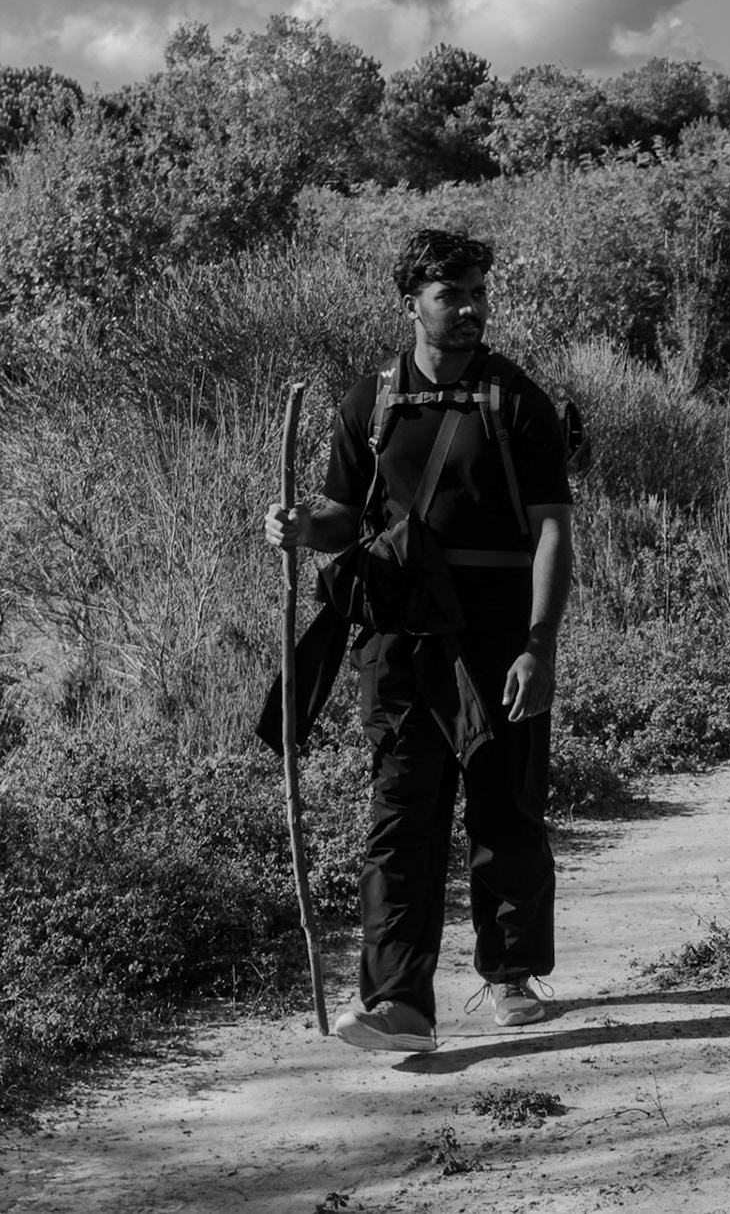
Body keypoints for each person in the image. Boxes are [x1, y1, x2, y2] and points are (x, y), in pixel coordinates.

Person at [264, 229, 574, 1053]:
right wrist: (301, 527)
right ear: (412, 303)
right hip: (398, 638)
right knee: (401, 814)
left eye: (477, 293)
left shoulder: (518, 401)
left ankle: (510, 971)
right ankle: (399, 1001)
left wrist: (538, 645)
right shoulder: (371, 401)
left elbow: (552, 530)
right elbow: (344, 516)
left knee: (505, 805)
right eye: (451, 294)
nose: (470, 308)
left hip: (497, 635)